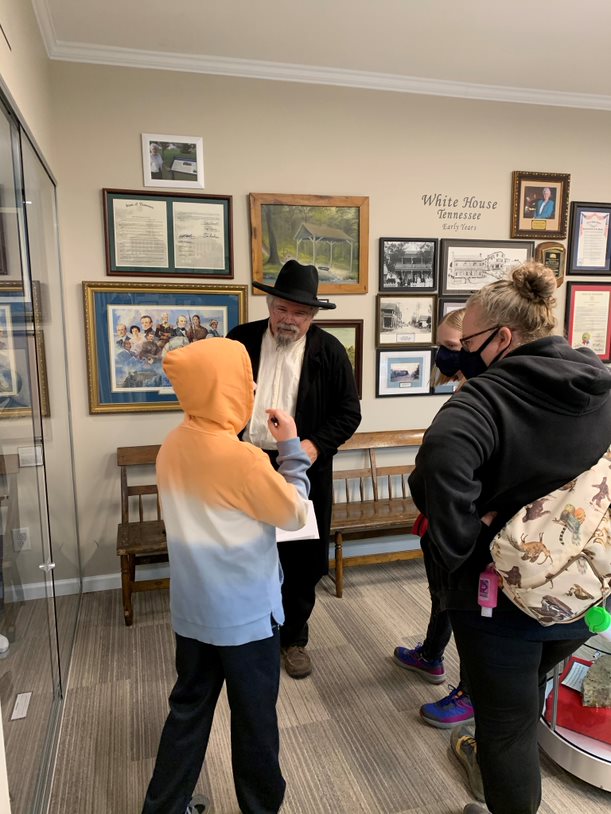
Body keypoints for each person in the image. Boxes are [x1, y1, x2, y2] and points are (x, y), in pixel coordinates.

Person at [407, 261, 611, 814]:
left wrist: (470, 550)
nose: (459, 353)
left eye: (466, 341)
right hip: (584, 593)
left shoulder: (483, 401)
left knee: (507, 728)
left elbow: (433, 476)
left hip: (501, 604)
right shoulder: (600, 383)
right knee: (529, 689)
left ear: (502, 337)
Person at [141, 338, 311, 814]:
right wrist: (290, 448)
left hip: (193, 612)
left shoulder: (172, 446)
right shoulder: (242, 459)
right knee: (255, 721)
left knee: (188, 711)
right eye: (244, 378)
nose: (253, 386)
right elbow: (295, 514)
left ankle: (164, 807)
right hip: (246, 618)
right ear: (223, 388)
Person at [228, 260, 361, 679]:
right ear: (270, 304)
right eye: (283, 309)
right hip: (245, 464)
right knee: (245, 550)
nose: (290, 320)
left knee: (301, 557)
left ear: (313, 316)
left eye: (301, 313)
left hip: (303, 468)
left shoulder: (330, 351)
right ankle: (250, 631)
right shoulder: (239, 342)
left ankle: (294, 637)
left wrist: (313, 446)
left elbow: (348, 413)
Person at [393, 309, 476, 732]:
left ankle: (472, 691)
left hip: (465, 523)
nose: (443, 355)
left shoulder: (484, 399)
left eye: (452, 347)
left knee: (466, 605)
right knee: (442, 592)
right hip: (440, 516)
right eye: (441, 346)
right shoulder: (463, 391)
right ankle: (431, 654)